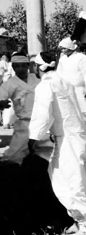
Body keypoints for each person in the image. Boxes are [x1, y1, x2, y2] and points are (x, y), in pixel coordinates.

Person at [29, 51, 86, 234]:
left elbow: (42, 113)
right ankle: (80, 222)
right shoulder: (65, 82)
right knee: (69, 179)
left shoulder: (46, 85)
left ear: (38, 67)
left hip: (68, 139)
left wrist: (33, 138)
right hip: (74, 135)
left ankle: (84, 224)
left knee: (70, 183)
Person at [0, 52, 41, 165]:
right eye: (17, 66)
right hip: (25, 125)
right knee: (12, 156)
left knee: (46, 151)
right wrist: (1, 103)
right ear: (13, 67)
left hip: (42, 122)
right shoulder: (10, 84)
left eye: (23, 65)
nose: (21, 69)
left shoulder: (37, 79)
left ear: (28, 66)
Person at [57, 37, 86, 118]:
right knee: (71, 112)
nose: (62, 50)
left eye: (63, 48)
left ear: (69, 47)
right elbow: (59, 73)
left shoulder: (81, 57)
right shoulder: (62, 59)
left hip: (80, 89)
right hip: (66, 89)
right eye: (61, 48)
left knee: (83, 110)